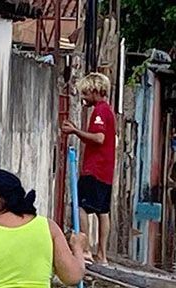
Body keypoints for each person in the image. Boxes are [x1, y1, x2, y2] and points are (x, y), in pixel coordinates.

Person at [61, 72, 117, 265]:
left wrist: (75, 131)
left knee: (81, 206)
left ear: (95, 91)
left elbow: (99, 138)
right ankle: (102, 255)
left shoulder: (100, 111)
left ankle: (85, 250)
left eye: (85, 93)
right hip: (106, 170)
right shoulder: (108, 110)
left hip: (95, 168)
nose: (83, 97)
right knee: (103, 211)